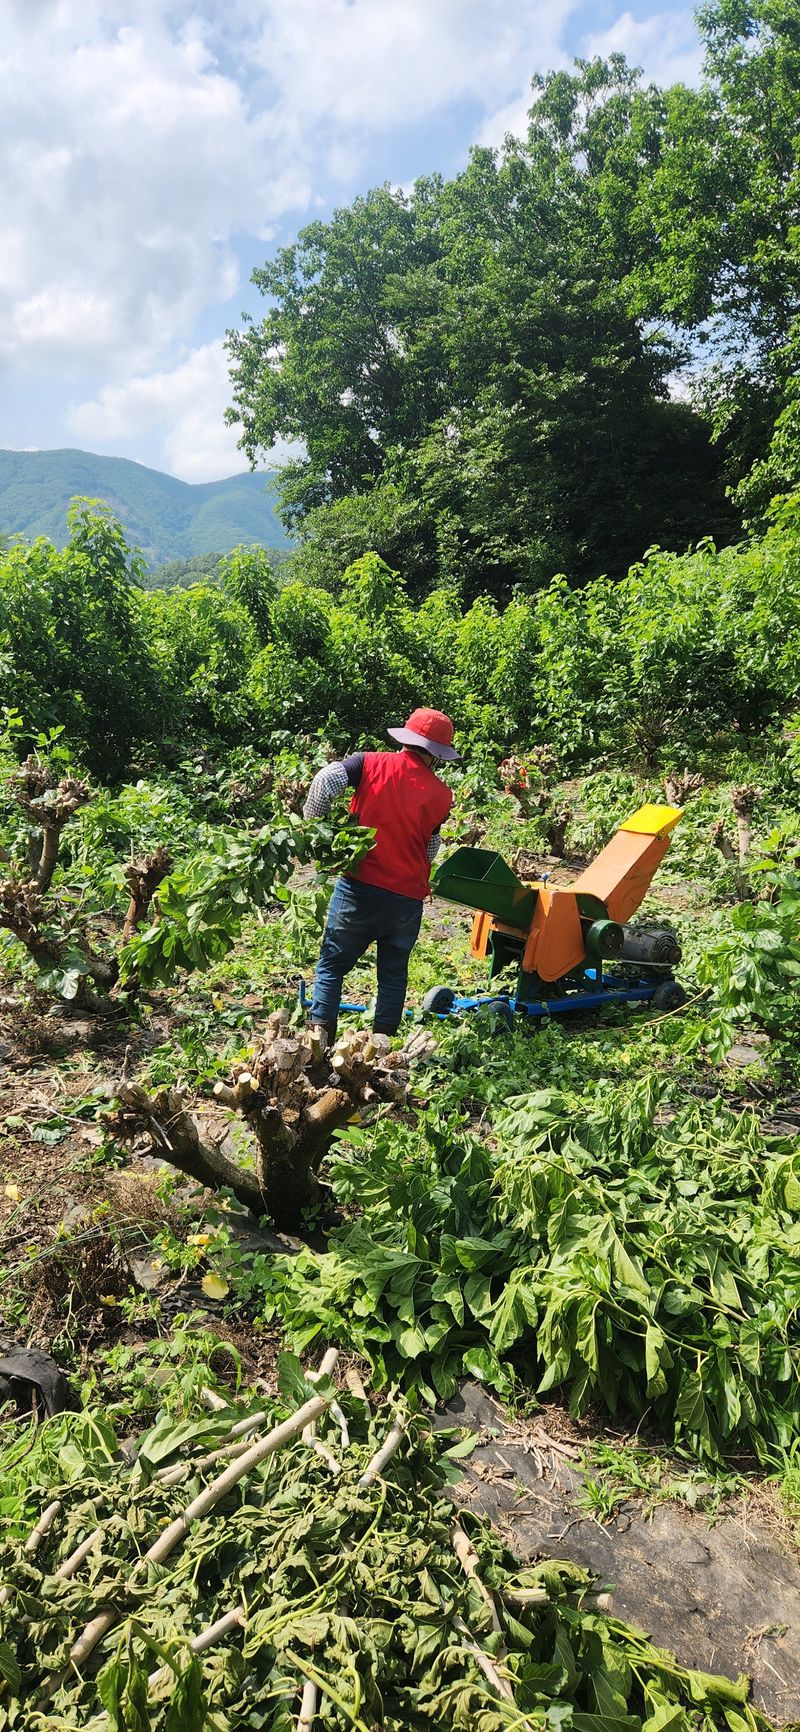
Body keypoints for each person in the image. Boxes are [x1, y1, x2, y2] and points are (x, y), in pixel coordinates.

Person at [303, 707, 459, 1042]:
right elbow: (431, 848)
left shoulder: (368, 763)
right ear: (437, 754)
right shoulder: (442, 795)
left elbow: (325, 780)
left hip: (359, 889)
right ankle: (382, 1048)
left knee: (332, 965)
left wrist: (315, 828)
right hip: (405, 899)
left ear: (406, 739)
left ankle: (318, 1043)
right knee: (392, 976)